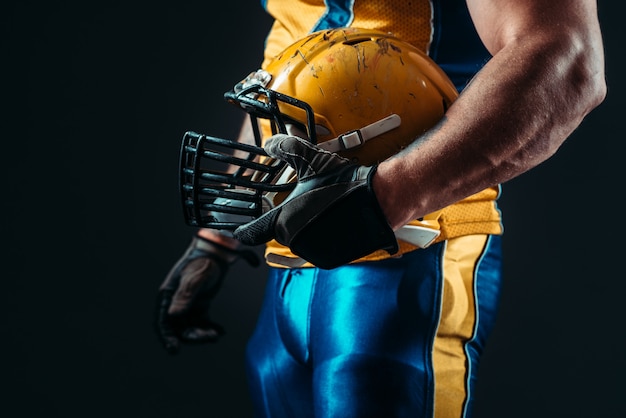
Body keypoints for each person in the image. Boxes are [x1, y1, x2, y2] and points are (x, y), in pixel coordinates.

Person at [156, 1, 606, 417]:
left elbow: (566, 59)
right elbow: (290, 65)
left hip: (412, 244)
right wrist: (216, 239)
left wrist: (382, 199)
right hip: (295, 255)